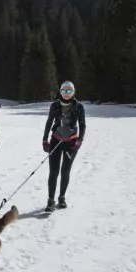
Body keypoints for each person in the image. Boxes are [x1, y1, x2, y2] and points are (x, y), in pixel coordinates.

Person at [42, 80, 85, 211]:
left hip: (71, 142)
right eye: (64, 90)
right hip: (56, 139)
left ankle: (62, 197)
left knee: (65, 171)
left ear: (73, 92)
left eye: (69, 91)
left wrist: (80, 140)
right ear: (60, 91)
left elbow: (82, 124)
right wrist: (45, 139)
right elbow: (49, 122)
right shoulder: (54, 105)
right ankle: (50, 200)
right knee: (53, 171)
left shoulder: (79, 107)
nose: (66, 93)